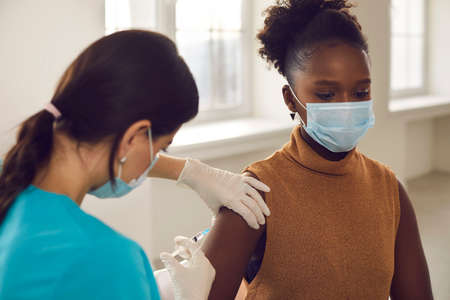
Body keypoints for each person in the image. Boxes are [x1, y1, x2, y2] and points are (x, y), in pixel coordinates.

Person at [0, 30, 271, 300]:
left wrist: (190, 171)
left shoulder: (10, 182)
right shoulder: (109, 259)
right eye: (161, 146)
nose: (155, 157)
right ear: (133, 136)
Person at [201, 0, 434, 299]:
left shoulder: (390, 190)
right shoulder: (256, 193)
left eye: (361, 92)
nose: (347, 107)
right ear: (290, 99)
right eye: (326, 94)